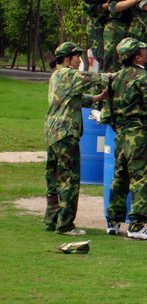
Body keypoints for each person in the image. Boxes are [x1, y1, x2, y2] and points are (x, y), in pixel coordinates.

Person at [103, 37, 147, 240]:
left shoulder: (114, 78)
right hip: (139, 137)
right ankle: (137, 225)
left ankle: (113, 222)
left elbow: (108, 111)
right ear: (136, 56)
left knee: (120, 178)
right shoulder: (143, 77)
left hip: (121, 136)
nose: (146, 53)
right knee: (141, 180)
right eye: (143, 51)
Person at [44, 42, 109, 235]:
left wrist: (99, 98)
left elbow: (76, 99)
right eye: (76, 57)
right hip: (66, 132)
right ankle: (65, 225)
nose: (80, 60)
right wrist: (114, 77)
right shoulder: (68, 73)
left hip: (53, 132)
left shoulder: (57, 75)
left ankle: (51, 219)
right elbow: (94, 78)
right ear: (66, 58)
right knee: (69, 179)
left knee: (54, 178)